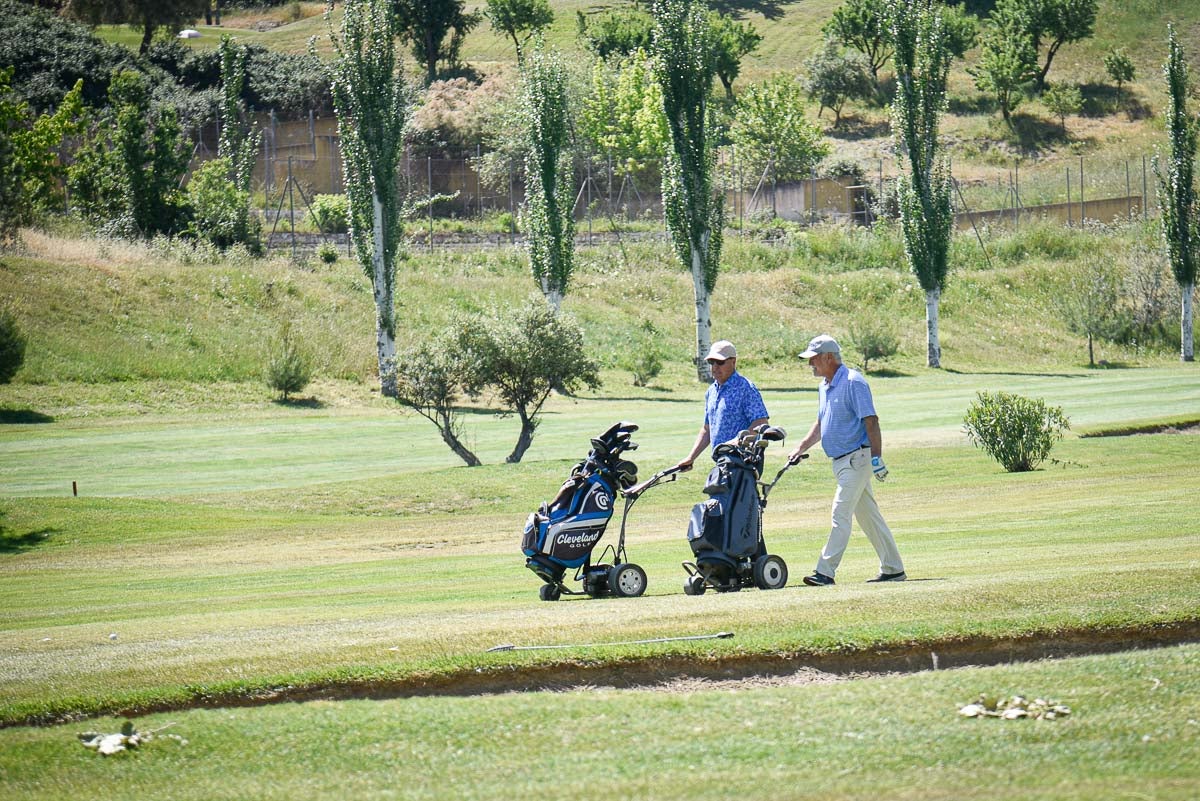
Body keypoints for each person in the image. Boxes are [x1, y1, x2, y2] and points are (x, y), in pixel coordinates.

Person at [787, 334, 906, 585]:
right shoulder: (824, 386)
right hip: (840, 462)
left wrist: (877, 458)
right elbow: (821, 424)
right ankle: (894, 568)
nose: (811, 365)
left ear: (829, 357)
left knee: (840, 513)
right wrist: (801, 447)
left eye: (814, 359)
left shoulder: (854, 382)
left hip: (858, 459)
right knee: (869, 517)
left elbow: (871, 420)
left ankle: (825, 571)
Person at [675, 340, 769, 472]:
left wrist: (737, 441)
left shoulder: (745, 388)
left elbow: (761, 423)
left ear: (733, 362)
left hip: (744, 463)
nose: (715, 367)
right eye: (711, 362)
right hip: (722, 463)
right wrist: (691, 457)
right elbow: (708, 429)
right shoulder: (711, 391)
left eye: (720, 362)